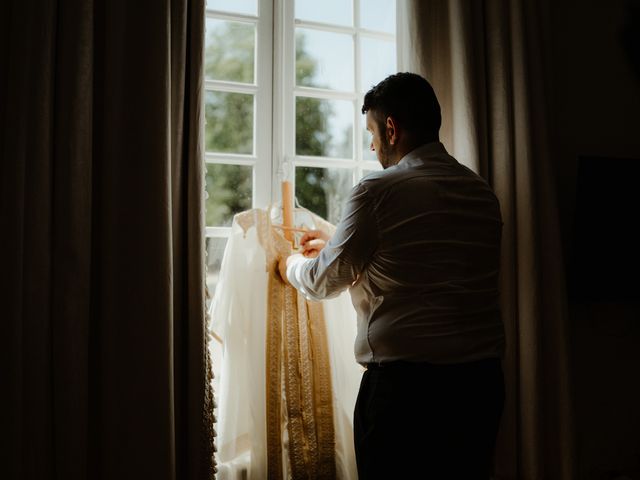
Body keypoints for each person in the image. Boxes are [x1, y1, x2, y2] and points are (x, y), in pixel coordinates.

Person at [278, 72, 506, 479]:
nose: (371, 145)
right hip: (479, 388)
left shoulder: (378, 190)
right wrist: (336, 237)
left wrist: (289, 265)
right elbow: (425, 252)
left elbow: (322, 281)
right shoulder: (480, 192)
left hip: (406, 396)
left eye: (371, 132)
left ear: (391, 128)